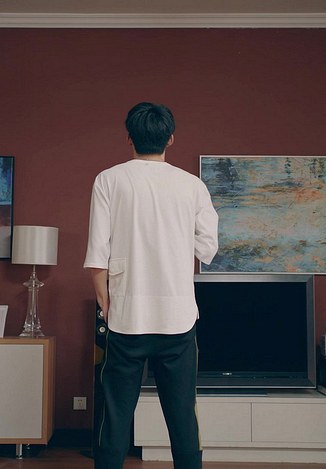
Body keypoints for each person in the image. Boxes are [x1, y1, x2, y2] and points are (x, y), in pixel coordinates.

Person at [84, 102, 219, 469]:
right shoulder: (192, 186)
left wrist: (107, 305)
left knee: (114, 417)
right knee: (183, 417)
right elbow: (208, 248)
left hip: (127, 318)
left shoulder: (108, 180)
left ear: (129, 137)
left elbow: (97, 255)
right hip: (178, 320)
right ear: (170, 139)